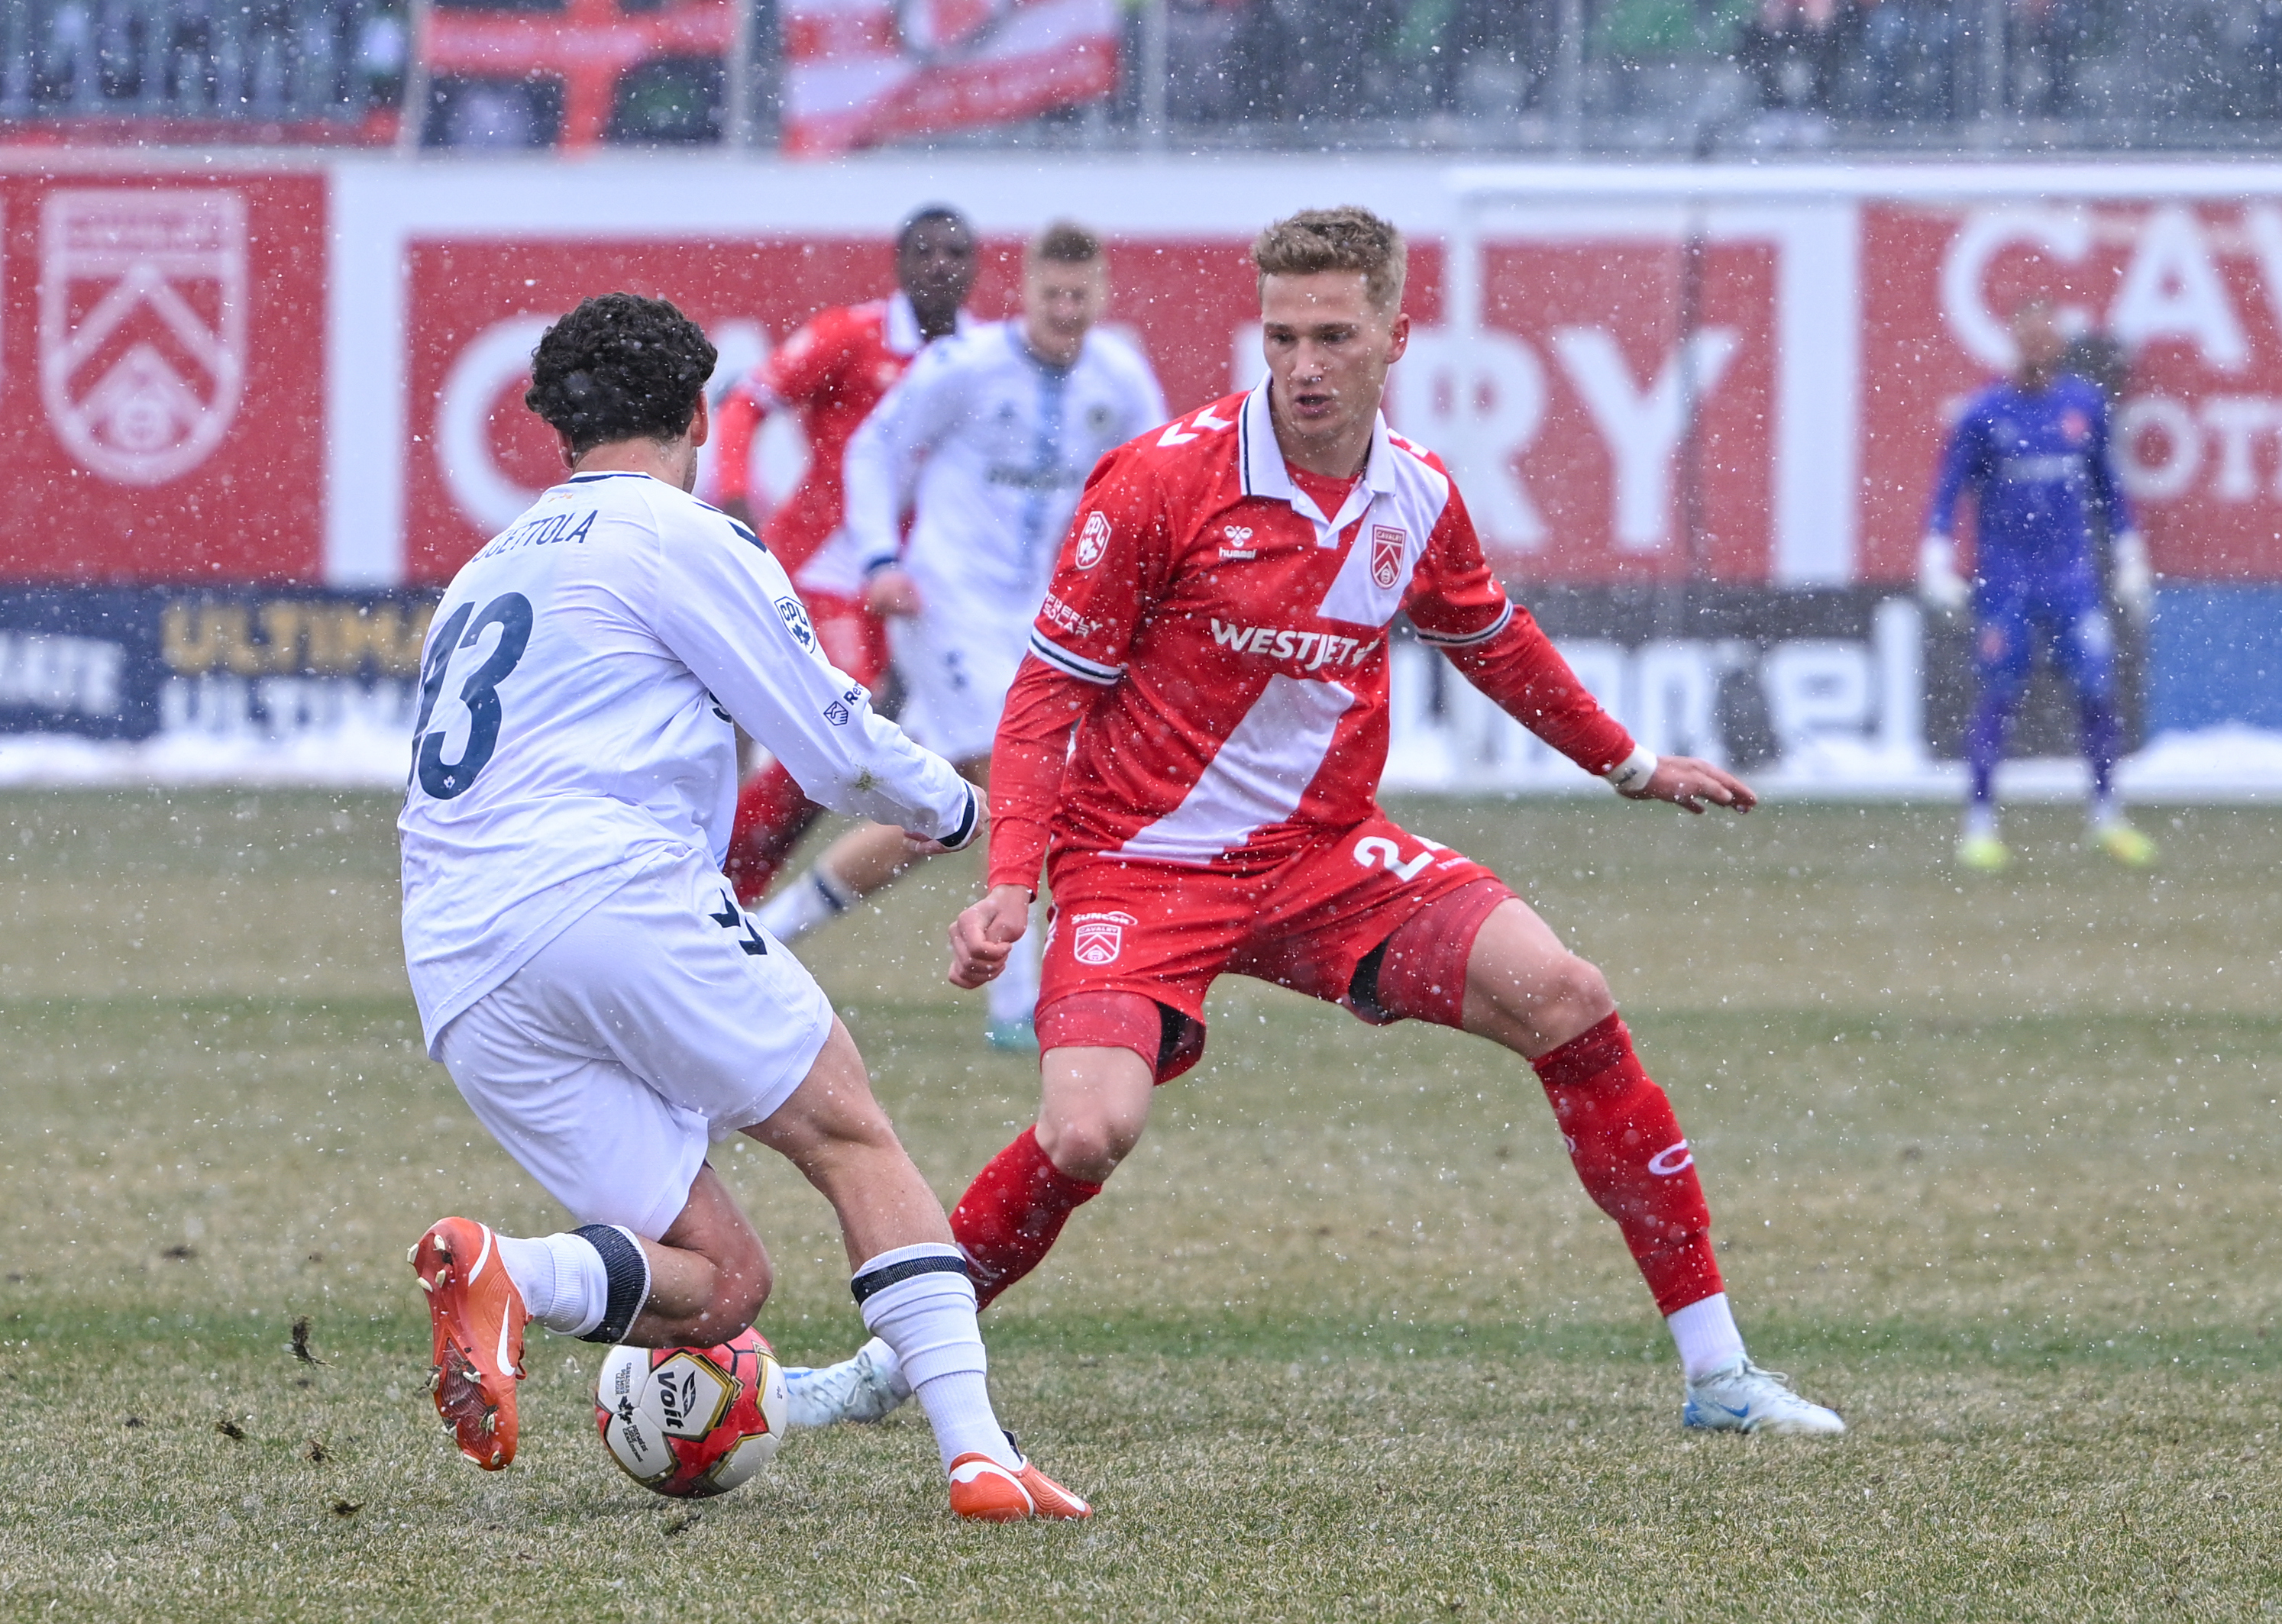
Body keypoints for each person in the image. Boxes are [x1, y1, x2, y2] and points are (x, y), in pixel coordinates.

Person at [782, 207, 1844, 1438]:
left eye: (1333, 335)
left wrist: (1632, 764)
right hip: (1137, 862)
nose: (1302, 366)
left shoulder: (1413, 498)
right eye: (1281, 335)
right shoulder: (1163, 480)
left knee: (1568, 994)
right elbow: (1045, 695)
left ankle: (1717, 1372)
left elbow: (1492, 642)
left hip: (1323, 859)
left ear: (1396, 335)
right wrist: (1014, 882)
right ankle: (890, 1362)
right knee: (1085, 1128)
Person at [399, 292, 1085, 1521]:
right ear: (699, 413)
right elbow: (836, 749)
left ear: (557, 429)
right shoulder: (678, 532)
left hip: (456, 954)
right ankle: (978, 1452)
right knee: (850, 1133)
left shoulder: (481, 571)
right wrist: (976, 816)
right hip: (603, 890)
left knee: (721, 1285)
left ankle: (515, 1274)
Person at [755, 221, 1168, 1051]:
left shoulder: (1118, 378)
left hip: (1039, 621)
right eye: (1050, 295)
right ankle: (1017, 1003)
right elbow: (873, 450)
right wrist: (879, 557)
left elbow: (1160, 480)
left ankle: (764, 938)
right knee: (1021, 783)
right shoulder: (965, 369)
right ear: (1025, 293)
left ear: (1101, 295)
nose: (1063, 310)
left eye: (1078, 296)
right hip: (943, 604)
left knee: (944, 811)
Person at [713, 205, 978, 906]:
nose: (939, 265)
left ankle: (735, 888)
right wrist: (737, 495)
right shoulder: (851, 335)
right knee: (840, 721)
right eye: (925, 251)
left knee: (841, 762)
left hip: (913, 591)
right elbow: (745, 402)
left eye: (955, 252)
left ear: (976, 269)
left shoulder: (985, 360)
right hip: (826, 570)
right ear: (899, 262)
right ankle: (717, 875)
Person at [1919, 299, 2155, 873]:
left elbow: (2108, 487)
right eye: (2028, 338)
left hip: (2072, 582)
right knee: (1998, 697)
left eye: (2047, 338)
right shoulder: (1983, 416)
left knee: (2098, 695)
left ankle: (2107, 817)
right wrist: (1936, 554)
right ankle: (1979, 825)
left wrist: (2129, 551)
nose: (2038, 348)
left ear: (2059, 345)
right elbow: (1948, 492)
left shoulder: (2084, 407)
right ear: (2014, 343)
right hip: (2007, 585)